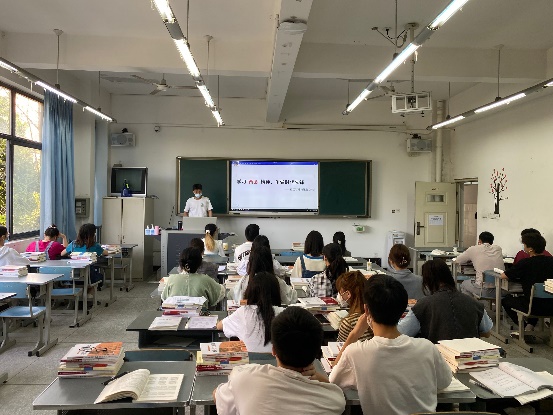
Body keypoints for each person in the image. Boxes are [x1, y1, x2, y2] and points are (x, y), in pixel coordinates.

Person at [329, 275, 452, 415]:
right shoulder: (427, 347)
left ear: (366, 310)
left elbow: (333, 381)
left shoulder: (355, 353)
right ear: (403, 310)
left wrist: (354, 334)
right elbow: (444, 382)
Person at [214, 307, 346, 415]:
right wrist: (316, 375)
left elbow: (217, 396)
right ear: (317, 353)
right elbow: (333, 389)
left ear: (273, 350)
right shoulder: (334, 401)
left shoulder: (245, 379)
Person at [397, 259, 493, 343]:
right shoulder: (474, 303)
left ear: (427, 282)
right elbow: (487, 332)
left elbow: (400, 332)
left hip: (437, 355)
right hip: (468, 355)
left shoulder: (423, 306)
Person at [217, 271, 284, 353]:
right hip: (277, 360)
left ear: (250, 291)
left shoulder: (244, 311)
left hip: (249, 360)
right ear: (276, 292)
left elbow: (219, 326)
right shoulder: (284, 314)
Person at [500, 232, 553, 333]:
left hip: (533, 307)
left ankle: (524, 328)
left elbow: (504, 276)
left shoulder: (525, 263)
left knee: (506, 300)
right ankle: (530, 326)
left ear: (530, 249)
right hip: (551, 306)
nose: (523, 247)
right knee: (534, 300)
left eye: (524, 245)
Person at [455, 231, 505, 298]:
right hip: (501, 289)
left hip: (484, 290)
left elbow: (458, 260)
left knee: (464, 284)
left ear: (480, 241)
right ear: (492, 242)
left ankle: (471, 304)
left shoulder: (473, 249)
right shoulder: (498, 249)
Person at [335, 271, 373, 342]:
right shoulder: (375, 315)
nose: (339, 295)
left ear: (348, 294)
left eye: (340, 292)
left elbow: (341, 347)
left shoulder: (348, 323)